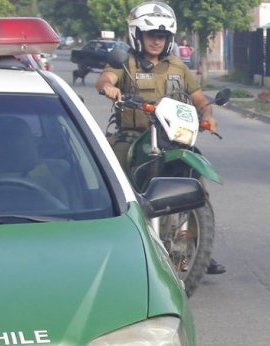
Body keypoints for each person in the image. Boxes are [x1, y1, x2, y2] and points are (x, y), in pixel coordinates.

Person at [96, 1, 226, 275]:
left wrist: (208, 114)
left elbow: (200, 98)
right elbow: (105, 77)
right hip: (132, 137)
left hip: (171, 137)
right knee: (113, 185)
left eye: (162, 36)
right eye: (151, 35)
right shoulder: (126, 61)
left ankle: (196, 248)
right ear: (138, 35)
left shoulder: (178, 66)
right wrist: (108, 86)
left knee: (196, 182)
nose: (156, 40)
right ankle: (111, 246)